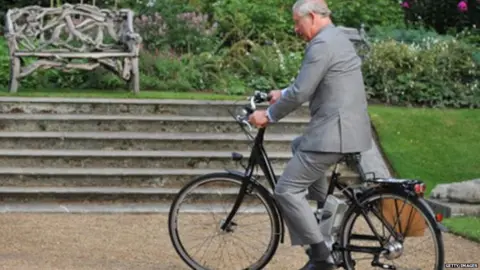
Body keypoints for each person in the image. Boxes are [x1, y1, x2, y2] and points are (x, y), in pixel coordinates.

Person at [248, 0, 373, 269]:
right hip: (345, 129)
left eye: (297, 22)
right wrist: (282, 93)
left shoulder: (322, 44)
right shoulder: (335, 38)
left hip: (335, 132)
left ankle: (320, 257)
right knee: (299, 146)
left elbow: (303, 92)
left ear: (313, 17)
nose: (295, 28)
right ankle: (324, 218)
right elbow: (311, 83)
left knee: (286, 190)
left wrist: (267, 116)